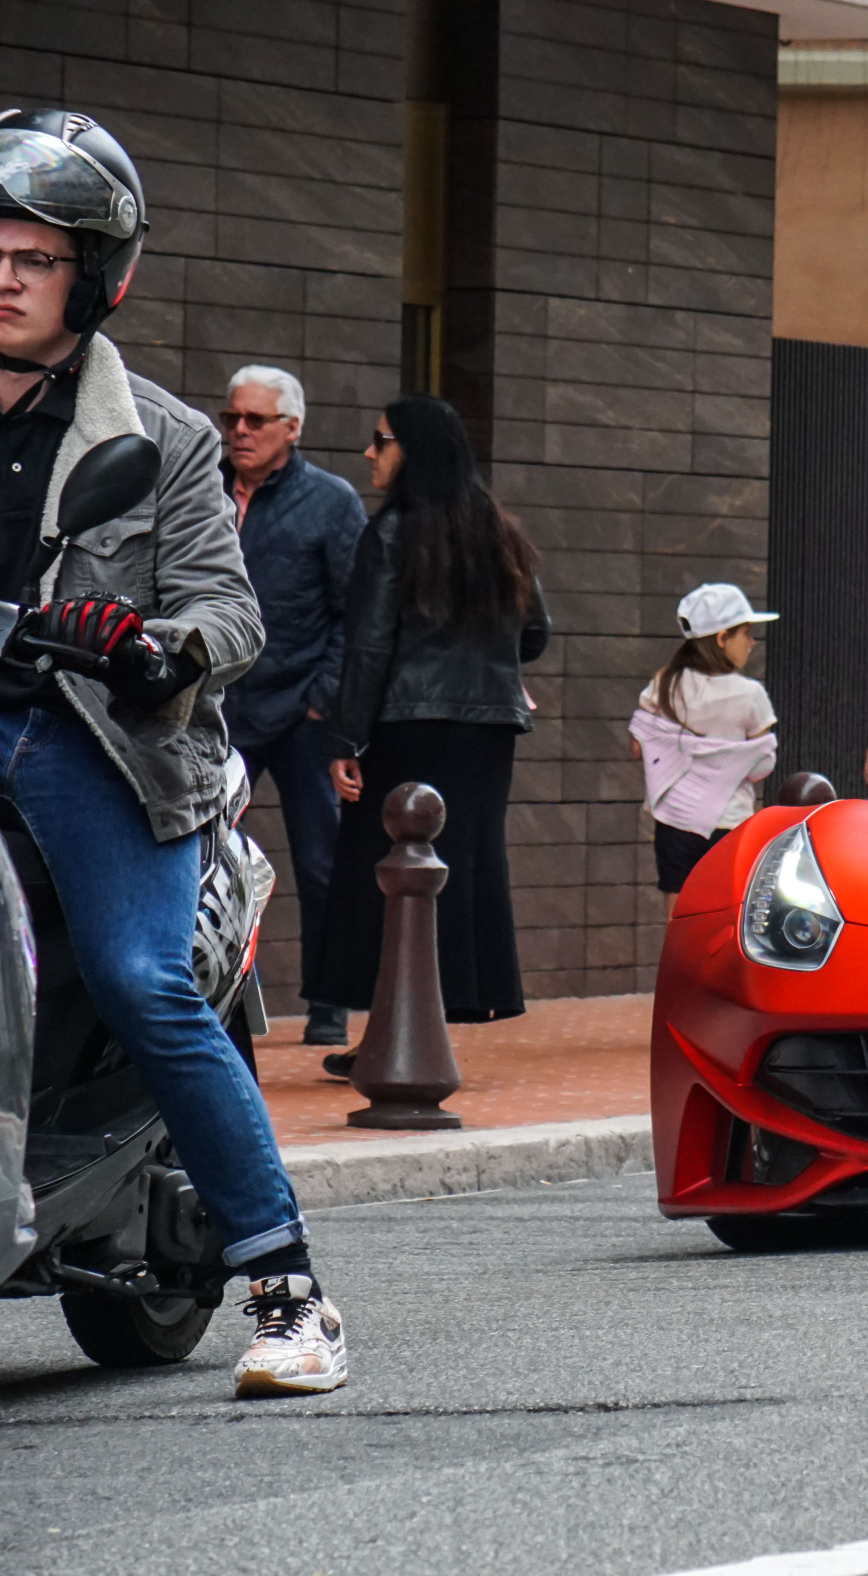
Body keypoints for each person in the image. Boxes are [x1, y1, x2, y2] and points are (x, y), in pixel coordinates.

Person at [0, 109, 343, 1395]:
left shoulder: (164, 438)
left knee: (144, 978)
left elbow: (232, 609)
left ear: (94, 277)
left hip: (86, 734)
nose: (6, 273)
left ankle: (289, 1292)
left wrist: (156, 649)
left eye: (37, 256)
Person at [312, 394, 548, 1059]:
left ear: (413, 451)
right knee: (466, 870)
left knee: (384, 876)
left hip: (405, 728)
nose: (369, 452)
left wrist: (345, 739)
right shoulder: (499, 531)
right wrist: (487, 661)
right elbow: (535, 633)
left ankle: (391, 1035)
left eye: (381, 440)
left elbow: (368, 646)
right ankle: (432, 1027)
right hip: (488, 735)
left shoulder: (391, 533)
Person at [216, 364, 368, 1046]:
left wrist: (323, 700)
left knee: (320, 860)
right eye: (232, 418)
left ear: (293, 428)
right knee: (199, 853)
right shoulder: (203, 487)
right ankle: (206, 997)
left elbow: (355, 610)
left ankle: (330, 1001)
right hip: (217, 708)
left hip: (301, 708)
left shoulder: (331, 501)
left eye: (256, 420)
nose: (239, 431)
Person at [630, 585, 776, 911]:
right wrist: (729, 761)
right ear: (722, 638)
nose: (752, 643)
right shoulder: (750, 694)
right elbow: (762, 766)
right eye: (747, 633)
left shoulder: (664, 683)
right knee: (727, 918)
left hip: (674, 821)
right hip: (731, 824)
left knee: (679, 920)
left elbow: (639, 748)